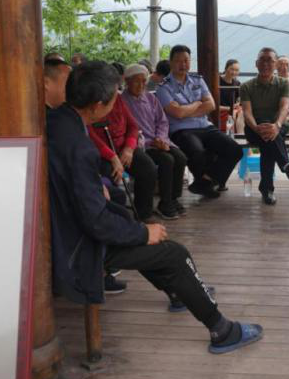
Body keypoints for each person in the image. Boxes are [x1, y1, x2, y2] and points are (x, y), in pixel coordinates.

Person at [46, 61, 263, 352]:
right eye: (113, 97)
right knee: (173, 252)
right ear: (98, 105)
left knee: (139, 230)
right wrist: (143, 233)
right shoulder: (79, 145)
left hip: (63, 227)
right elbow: (97, 222)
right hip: (76, 245)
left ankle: (179, 291)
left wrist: (96, 186)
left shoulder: (58, 122)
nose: (116, 101)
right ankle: (222, 330)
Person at [156, 45, 243, 198]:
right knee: (197, 152)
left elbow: (211, 105)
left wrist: (185, 110)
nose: (183, 64)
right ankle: (205, 185)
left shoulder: (197, 80)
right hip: (181, 130)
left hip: (205, 126)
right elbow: (177, 113)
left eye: (186, 60)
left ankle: (204, 182)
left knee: (234, 149)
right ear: (171, 62)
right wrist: (197, 103)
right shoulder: (163, 87)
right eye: (178, 61)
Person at [88, 68, 165, 222]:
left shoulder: (117, 99)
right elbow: (90, 135)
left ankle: (143, 214)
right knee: (112, 176)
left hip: (124, 147)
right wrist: (112, 157)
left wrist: (129, 148)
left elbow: (133, 127)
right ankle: (115, 219)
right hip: (102, 153)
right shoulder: (90, 102)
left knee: (148, 168)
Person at [122, 63, 188, 219]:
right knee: (167, 160)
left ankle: (172, 198)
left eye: (144, 81)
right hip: (141, 145)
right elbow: (126, 129)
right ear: (127, 81)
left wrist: (161, 138)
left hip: (158, 140)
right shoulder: (122, 101)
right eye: (136, 81)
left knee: (180, 158)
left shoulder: (150, 98)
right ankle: (165, 203)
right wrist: (151, 142)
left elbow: (162, 121)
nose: (141, 85)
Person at [239, 48, 289, 205]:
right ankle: (286, 165)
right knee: (268, 139)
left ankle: (267, 189)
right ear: (256, 63)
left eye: (270, 61)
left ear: (275, 64)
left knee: (269, 142)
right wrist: (258, 129)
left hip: (279, 125)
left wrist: (276, 125)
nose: (266, 64)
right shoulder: (246, 86)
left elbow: (284, 107)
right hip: (253, 128)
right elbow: (247, 113)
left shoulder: (283, 83)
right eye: (262, 60)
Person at [218, 59, 242, 134]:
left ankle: (240, 135)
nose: (234, 72)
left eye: (236, 70)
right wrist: (229, 108)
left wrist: (237, 104)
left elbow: (239, 99)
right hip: (220, 109)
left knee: (241, 113)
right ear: (226, 68)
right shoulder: (217, 80)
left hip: (232, 110)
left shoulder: (237, 83)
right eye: (232, 69)